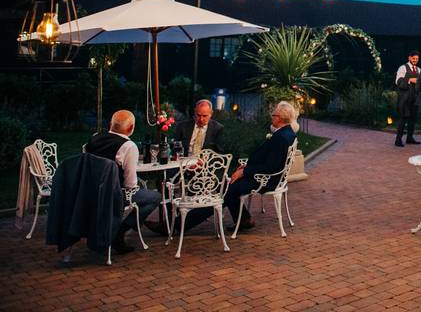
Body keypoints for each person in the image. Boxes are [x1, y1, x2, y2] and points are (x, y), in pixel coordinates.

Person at [183, 101, 298, 232]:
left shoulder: (281, 138)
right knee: (228, 187)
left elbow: (271, 167)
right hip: (263, 177)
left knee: (224, 192)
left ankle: (181, 224)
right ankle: (244, 220)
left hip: (265, 181)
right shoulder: (287, 133)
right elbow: (269, 161)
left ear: (281, 117)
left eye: (274, 115)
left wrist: (244, 172)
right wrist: (245, 167)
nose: (272, 117)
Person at [85, 110, 161, 255]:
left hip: (90, 191)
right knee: (155, 197)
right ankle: (119, 232)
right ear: (130, 127)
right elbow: (130, 184)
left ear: (111, 125)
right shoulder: (128, 146)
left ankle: (111, 232)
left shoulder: (94, 138)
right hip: (114, 194)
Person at [394, 50, 421, 147]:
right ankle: (398, 140)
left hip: (414, 98)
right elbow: (398, 81)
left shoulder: (418, 69)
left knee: (412, 119)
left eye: (417, 59)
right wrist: (410, 80)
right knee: (403, 119)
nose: (415, 60)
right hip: (405, 98)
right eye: (413, 58)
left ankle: (410, 138)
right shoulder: (403, 68)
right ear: (409, 58)